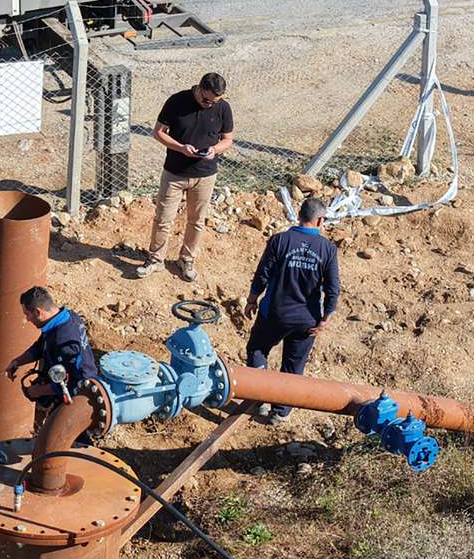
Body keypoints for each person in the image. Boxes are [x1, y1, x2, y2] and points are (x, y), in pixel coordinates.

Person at [242, 197, 341, 424]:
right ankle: (281, 412)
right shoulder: (327, 249)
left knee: (257, 348)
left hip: (274, 314)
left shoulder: (280, 240)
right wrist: (326, 317)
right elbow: (333, 288)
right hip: (307, 320)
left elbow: (262, 274)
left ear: (299, 216)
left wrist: (252, 299)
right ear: (319, 220)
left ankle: (259, 398)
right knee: (293, 365)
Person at [137, 72, 235, 283]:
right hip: (175, 173)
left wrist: (215, 150)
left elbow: (228, 138)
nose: (210, 105)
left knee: (197, 221)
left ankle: (186, 259)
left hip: (205, 175)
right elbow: (159, 132)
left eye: (215, 101)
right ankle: (155, 259)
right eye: (206, 100)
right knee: (163, 218)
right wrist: (181, 148)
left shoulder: (223, 107)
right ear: (199, 89)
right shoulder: (177, 101)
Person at [5, 286, 99, 408]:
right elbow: (41, 346)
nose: (27, 319)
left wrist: (36, 391)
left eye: (27, 314)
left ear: (38, 312)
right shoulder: (67, 317)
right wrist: (17, 361)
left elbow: (73, 382)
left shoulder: (62, 340)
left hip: (78, 397)